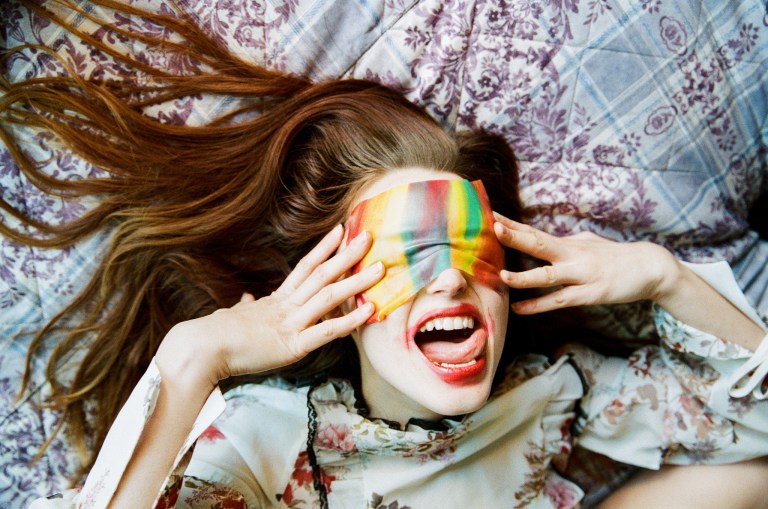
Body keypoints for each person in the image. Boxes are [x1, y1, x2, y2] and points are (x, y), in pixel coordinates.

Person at [3, 1, 767, 508]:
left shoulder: (545, 400)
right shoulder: (269, 442)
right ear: (337, 297)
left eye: (476, 246)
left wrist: (664, 278)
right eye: (411, 249)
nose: (449, 274)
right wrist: (194, 356)